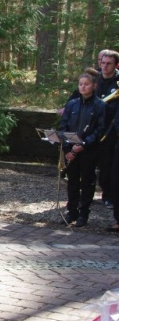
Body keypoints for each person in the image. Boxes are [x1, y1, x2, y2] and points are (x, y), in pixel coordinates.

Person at [58, 72, 107, 227]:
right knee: (72, 181)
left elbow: (100, 129)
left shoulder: (100, 105)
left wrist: (84, 144)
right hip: (71, 150)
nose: (83, 87)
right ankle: (71, 211)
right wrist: (67, 148)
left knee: (87, 182)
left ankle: (83, 213)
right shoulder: (72, 104)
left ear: (94, 86)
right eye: (80, 84)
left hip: (88, 150)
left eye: (86, 84)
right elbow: (63, 126)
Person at [94, 49, 119, 208]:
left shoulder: (120, 81)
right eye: (103, 63)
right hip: (95, 127)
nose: (105, 66)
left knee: (110, 164)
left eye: (109, 63)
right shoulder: (96, 80)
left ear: (117, 65)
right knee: (99, 162)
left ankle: (109, 195)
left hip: (112, 129)